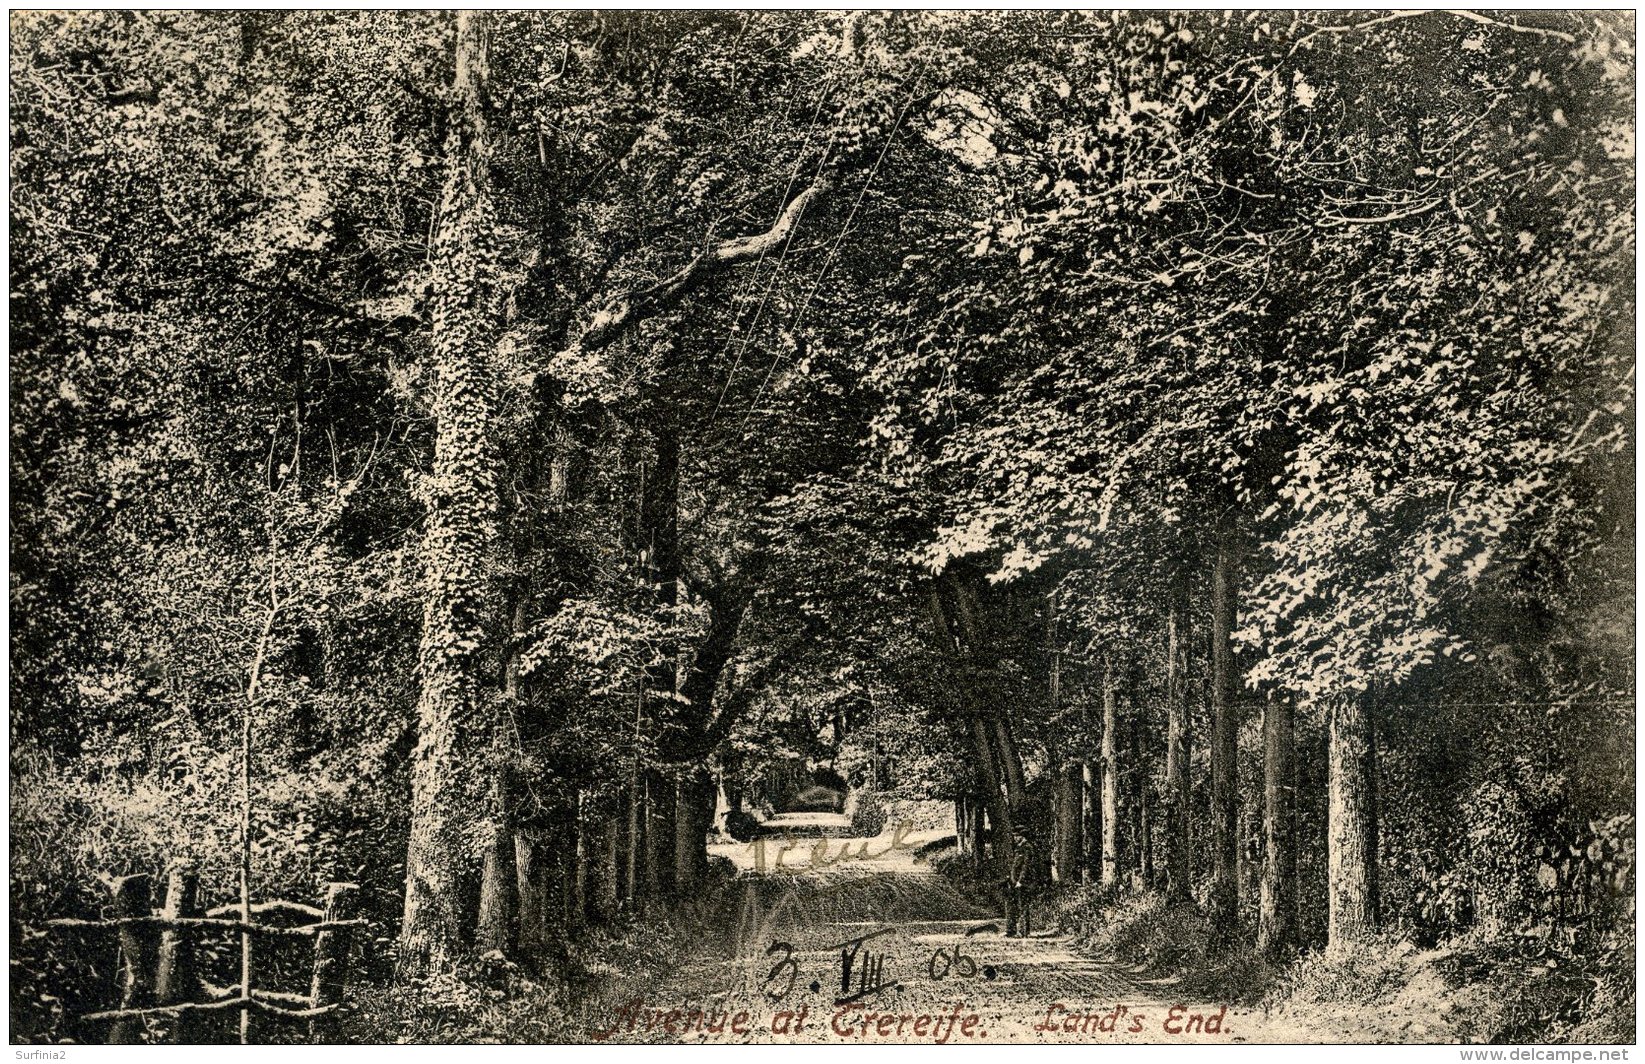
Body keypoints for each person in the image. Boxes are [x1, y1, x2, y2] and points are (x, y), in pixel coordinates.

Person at [1003, 829, 1041, 938]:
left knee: (1022, 906)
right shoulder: (1019, 847)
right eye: (1014, 836)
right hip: (1015, 882)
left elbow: (1026, 866)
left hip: (1023, 883)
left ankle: (1024, 932)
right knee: (1012, 905)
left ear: (1022, 836)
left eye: (1017, 836)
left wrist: (1021, 881)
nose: (1014, 838)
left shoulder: (1027, 847)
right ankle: (1011, 931)